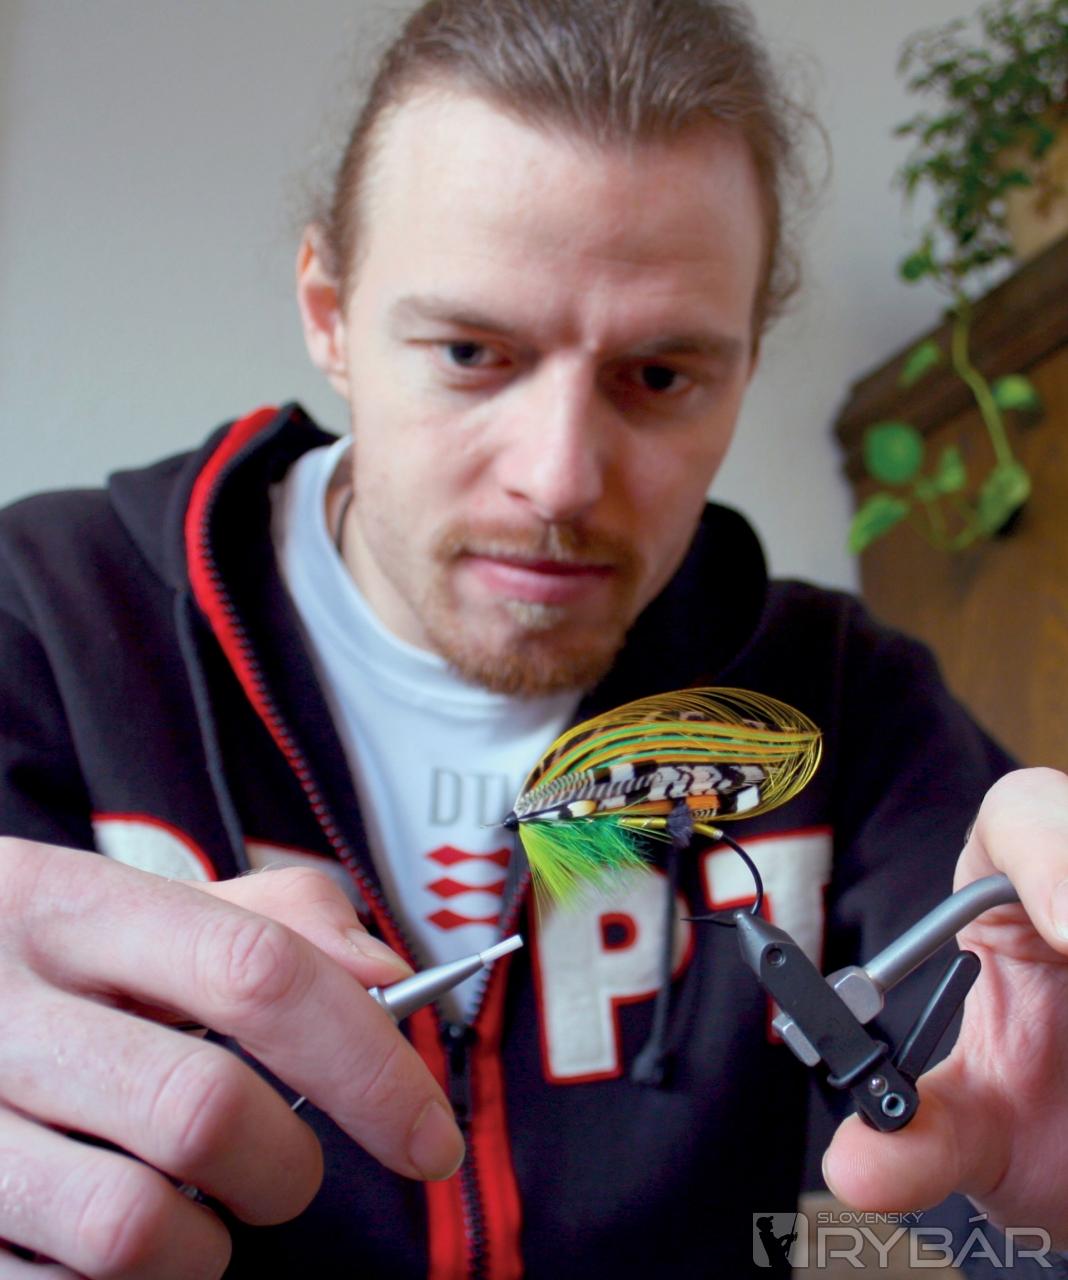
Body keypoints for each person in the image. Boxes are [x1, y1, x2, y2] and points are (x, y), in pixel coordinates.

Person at [1, 1, 1066, 1276]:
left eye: (660, 377)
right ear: (329, 311)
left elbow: (997, 1154)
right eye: (470, 351)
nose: (559, 478)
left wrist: (1047, 1213)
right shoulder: (39, 623)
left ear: (743, 367)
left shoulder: (850, 702)